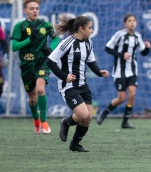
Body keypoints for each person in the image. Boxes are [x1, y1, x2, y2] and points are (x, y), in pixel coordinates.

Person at [46, 15, 109, 152]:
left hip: (83, 85)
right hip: (69, 85)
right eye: (90, 28)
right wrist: (64, 76)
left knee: (88, 118)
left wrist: (99, 72)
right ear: (81, 29)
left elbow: (91, 62)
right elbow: (50, 61)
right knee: (82, 114)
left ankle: (74, 144)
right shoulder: (67, 43)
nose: (91, 31)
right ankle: (65, 123)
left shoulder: (88, 42)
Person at [11, 0, 60, 134]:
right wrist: (28, 40)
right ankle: (36, 120)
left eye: (37, 8)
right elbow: (14, 47)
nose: (35, 11)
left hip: (42, 61)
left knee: (40, 90)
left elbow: (56, 38)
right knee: (32, 98)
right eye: (31, 9)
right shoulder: (19, 26)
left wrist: (50, 49)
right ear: (25, 11)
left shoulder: (45, 25)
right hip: (27, 64)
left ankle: (44, 121)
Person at [97, 14, 151, 129]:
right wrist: (122, 55)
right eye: (129, 20)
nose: (132, 22)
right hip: (119, 71)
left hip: (132, 70)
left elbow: (143, 53)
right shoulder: (119, 35)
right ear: (125, 23)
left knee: (132, 94)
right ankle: (104, 112)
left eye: (134, 20)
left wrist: (147, 48)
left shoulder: (137, 36)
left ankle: (125, 121)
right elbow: (107, 47)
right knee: (121, 98)